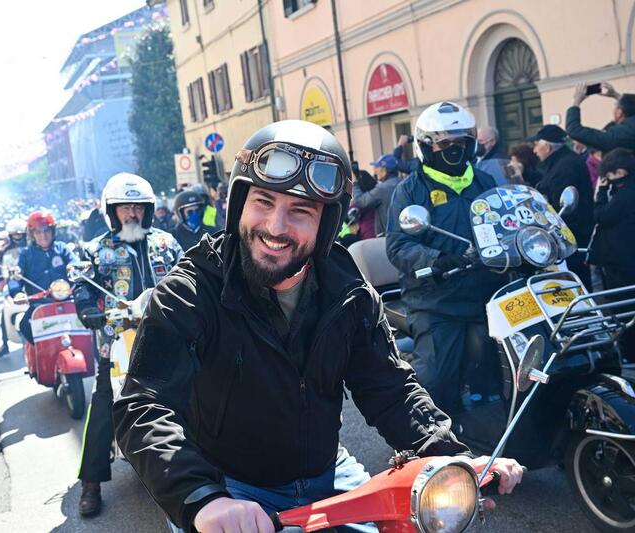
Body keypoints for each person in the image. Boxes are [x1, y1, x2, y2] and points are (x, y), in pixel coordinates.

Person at [113, 120, 524, 533]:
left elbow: (389, 387)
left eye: (301, 211)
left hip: (329, 476)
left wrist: (449, 455)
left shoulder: (346, 287)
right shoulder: (191, 290)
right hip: (229, 490)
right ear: (238, 205)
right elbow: (143, 406)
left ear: (326, 224)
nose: (276, 227)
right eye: (263, 202)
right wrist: (201, 498)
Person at [386, 101, 507, 418]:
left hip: (489, 292)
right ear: (427, 146)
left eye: (461, 142)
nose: (454, 148)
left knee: (521, 360)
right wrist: (436, 259)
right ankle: (432, 435)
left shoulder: (484, 182)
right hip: (436, 300)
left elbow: (505, 223)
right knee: (437, 380)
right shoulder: (410, 190)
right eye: (444, 143)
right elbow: (398, 245)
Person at [73, 173, 182, 518]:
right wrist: (86, 308)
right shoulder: (95, 249)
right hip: (117, 342)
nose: (132, 213)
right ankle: (91, 482)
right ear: (112, 211)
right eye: (125, 207)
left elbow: (190, 275)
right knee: (103, 405)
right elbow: (81, 283)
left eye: (138, 207)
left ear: (148, 210)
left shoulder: (167, 243)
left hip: (169, 338)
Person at [529, 125, 594, 288]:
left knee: (575, 280)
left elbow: (562, 206)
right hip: (569, 233)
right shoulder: (560, 162)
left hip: (571, 235)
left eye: (536, 145)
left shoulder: (565, 166)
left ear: (547, 146)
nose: (534, 151)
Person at [587, 148, 635, 362]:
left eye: (609, 176)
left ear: (621, 172)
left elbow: (602, 216)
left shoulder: (624, 194)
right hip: (624, 258)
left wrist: (600, 195)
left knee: (623, 307)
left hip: (621, 261)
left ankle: (628, 352)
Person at [8, 211, 77, 344]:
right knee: (24, 326)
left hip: (67, 300)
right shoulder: (26, 254)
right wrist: (17, 293)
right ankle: (38, 354)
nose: (43, 236)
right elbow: (16, 276)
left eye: (46, 231)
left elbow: (75, 263)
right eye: (38, 232)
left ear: (53, 231)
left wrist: (76, 268)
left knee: (89, 319)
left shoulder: (62, 248)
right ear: (32, 234)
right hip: (40, 304)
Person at [567, 81, 635, 153]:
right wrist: (615, 95)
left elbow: (574, 130)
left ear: (619, 113)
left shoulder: (617, 135)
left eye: (615, 105)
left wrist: (575, 102)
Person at [0, 218, 27, 357]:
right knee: (5, 311)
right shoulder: (4, 250)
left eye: (20, 234)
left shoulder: (33, 245)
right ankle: (5, 342)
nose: (18, 237)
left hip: (31, 280)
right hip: (13, 282)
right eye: (15, 234)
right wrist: (1, 279)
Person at [352, 154, 402, 236]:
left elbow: (361, 201)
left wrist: (355, 184)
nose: (375, 171)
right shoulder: (404, 183)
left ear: (384, 170)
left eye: (377, 167)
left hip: (387, 237)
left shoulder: (382, 189)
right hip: (405, 234)